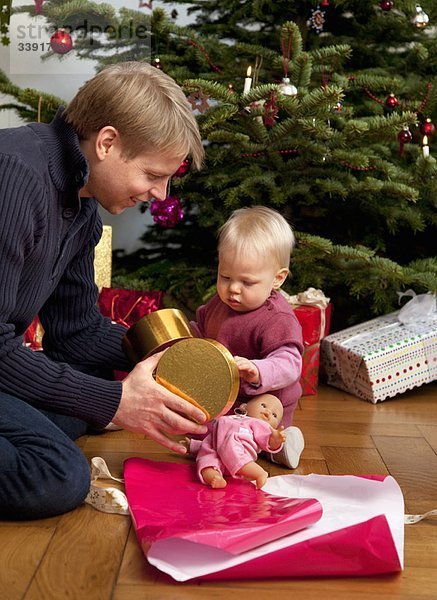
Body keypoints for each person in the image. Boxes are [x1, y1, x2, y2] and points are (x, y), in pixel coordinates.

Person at [0, 61, 208, 520]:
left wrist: (182, 358)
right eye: (154, 175)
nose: (160, 193)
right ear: (107, 143)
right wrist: (117, 401)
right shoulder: (15, 175)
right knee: (57, 473)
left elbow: (75, 331)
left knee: (78, 411)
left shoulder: (83, 205)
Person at [190, 205, 305, 469]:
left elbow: (290, 363)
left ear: (277, 279)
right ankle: (216, 442)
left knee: (263, 437)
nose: (232, 289)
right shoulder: (220, 303)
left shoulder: (276, 318)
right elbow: (203, 329)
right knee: (209, 431)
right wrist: (187, 339)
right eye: (225, 276)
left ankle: (282, 445)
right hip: (228, 400)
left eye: (247, 282)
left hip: (266, 405)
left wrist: (258, 370)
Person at [196, 394, 286, 489]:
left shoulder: (260, 425)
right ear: (244, 406)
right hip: (216, 451)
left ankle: (259, 473)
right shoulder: (231, 418)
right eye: (263, 405)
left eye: (274, 415)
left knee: (234, 450)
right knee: (205, 463)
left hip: (238, 449)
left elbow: (267, 440)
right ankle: (215, 477)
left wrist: (275, 440)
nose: (268, 412)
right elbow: (211, 439)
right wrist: (193, 445)